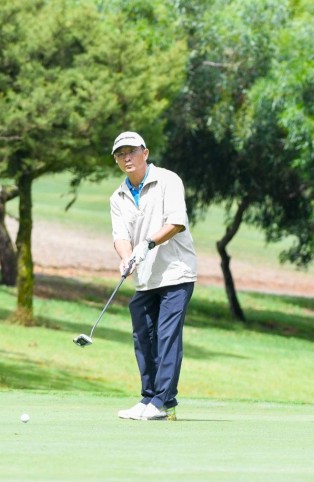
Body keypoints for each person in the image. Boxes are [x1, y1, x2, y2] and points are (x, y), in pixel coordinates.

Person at [109, 131, 198, 421]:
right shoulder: (118, 197)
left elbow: (176, 223)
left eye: (131, 151)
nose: (126, 157)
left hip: (176, 272)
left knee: (166, 336)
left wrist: (146, 244)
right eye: (121, 154)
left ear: (145, 153)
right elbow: (120, 235)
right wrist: (126, 258)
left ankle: (163, 401)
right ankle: (148, 397)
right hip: (145, 278)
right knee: (143, 337)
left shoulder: (168, 180)